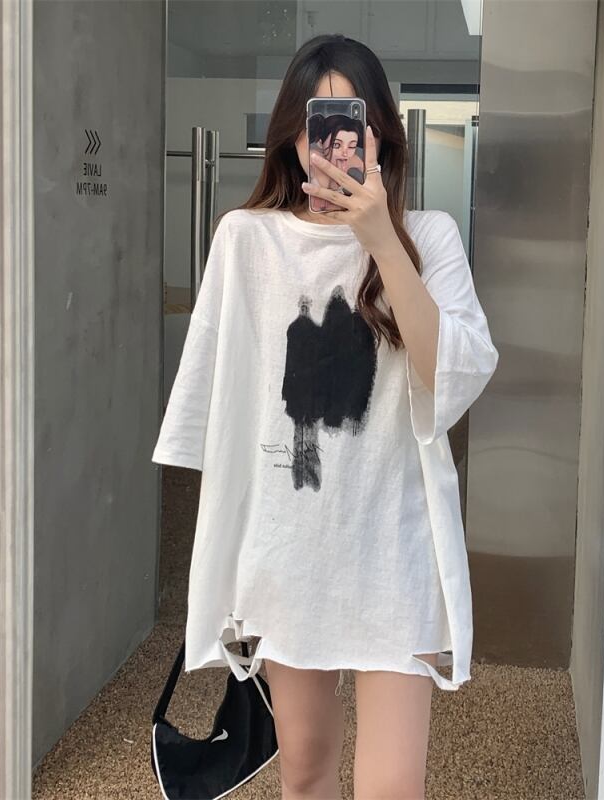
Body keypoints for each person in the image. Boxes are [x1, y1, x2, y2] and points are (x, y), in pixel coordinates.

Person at [151, 33, 499, 800]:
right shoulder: (246, 240)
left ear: (381, 137)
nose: (337, 147)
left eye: (353, 126)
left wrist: (381, 241)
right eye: (321, 127)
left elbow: (451, 375)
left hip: (393, 552)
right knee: (305, 771)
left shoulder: (428, 238)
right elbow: (223, 410)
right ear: (292, 137)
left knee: (392, 788)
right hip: (290, 551)